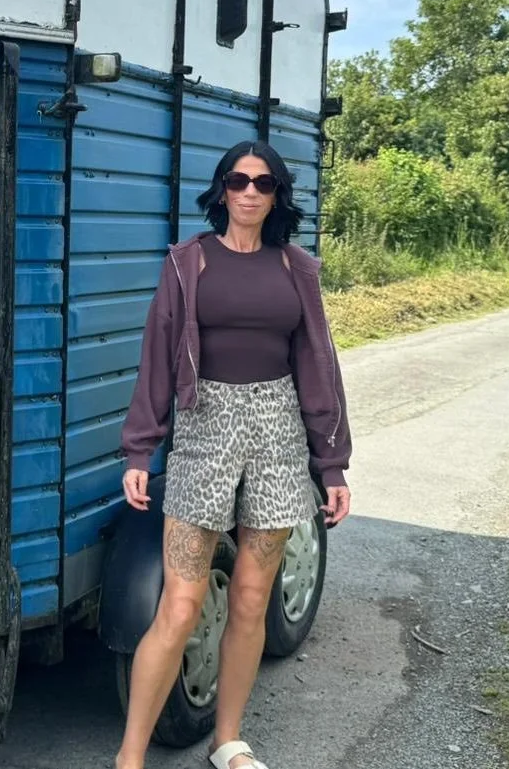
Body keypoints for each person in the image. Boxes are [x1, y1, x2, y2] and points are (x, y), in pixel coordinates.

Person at [113, 140, 352, 769]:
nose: (250, 192)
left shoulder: (296, 268)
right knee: (181, 605)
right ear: (221, 189)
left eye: (264, 183)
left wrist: (331, 463)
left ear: (278, 195)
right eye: (239, 180)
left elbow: (318, 366)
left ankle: (227, 741)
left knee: (249, 598)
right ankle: (129, 758)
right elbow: (157, 355)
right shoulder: (188, 262)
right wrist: (140, 449)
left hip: (278, 431)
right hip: (204, 430)